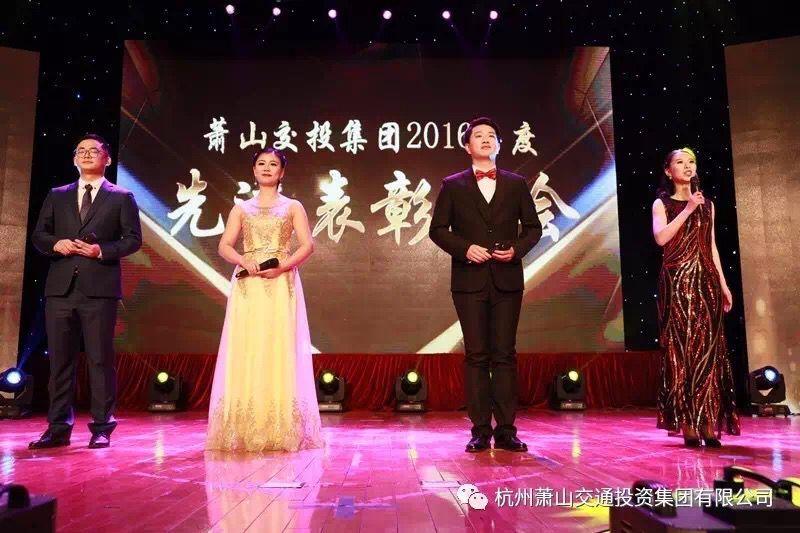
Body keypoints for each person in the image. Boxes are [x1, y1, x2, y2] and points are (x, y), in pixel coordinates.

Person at [429, 117, 542, 453]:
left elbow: (533, 228)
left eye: (492, 135)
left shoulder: (516, 183)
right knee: (477, 355)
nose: (485, 139)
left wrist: (516, 250)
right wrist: (465, 248)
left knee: (504, 354)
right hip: (469, 282)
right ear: (467, 146)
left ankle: (506, 430)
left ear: (499, 145)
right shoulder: (453, 185)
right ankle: (479, 430)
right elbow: (438, 229)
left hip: (507, 280)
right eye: (478, 136)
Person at [29, 133, 142, 449]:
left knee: (99, 360)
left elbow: (133, 239)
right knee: (60, 362)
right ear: (74, 159)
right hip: (60, 289)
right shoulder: (57, 195)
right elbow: (39, 235)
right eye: (81, 150)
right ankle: (57, 428)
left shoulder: (122, 197)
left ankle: (102, 427)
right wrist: (56, 243)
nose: (87, 154)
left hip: (99, 290)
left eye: (94, 150)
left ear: (107, 158)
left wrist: (100, 250)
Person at [206, 147, 322, 452]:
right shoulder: (241, 209)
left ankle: (280, 427)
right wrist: (243, 260)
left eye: (273, 164)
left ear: (282, 172)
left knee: (278, 346)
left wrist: (283, 267)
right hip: (248, 284)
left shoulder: (293, 206)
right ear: (254, 170)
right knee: (248, 347)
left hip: (281, 282)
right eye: (261, 163)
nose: (267, 168)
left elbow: (307, 245)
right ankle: (245, 427)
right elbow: (224, 246)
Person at [652, 147, 740, 447]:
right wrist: (688, 209)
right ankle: (687, 422)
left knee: (709, 352)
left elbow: (711, 246)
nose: (688, 166)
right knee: (682, 351)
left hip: (706, 283)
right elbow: (661, 238)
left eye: (691, 161)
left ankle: (707, 421)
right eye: (680, 162)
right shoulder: (662, 204)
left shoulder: (708, 205)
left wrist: (724, 285)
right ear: (668, 171)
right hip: (677, 283)